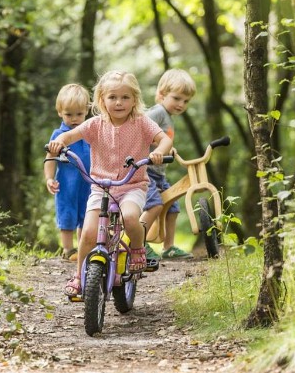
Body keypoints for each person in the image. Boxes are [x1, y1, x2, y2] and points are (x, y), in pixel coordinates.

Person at [46, 70, 173, 296]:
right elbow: (69, 135)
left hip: (132, 185)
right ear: (101, 99)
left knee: (132, 217)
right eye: (112, 97)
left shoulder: (142, 123)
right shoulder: (95, 124)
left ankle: (136, 250)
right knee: (88, 233)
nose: (119, 102)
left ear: (135, 99)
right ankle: (78, 275)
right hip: (101, 187)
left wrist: (159, 152)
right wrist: (58, 143)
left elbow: (164, 139)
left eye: (125, 97)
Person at [141, 69, 197, 261]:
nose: (181, 104)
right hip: (145, 171)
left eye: (186, 101)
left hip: (158, 173)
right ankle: (138, 243)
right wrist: (158, 146)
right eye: (177, 98)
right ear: (162, 95)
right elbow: (141, 130)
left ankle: (169, 247)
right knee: (154, 205)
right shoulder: (157, 112)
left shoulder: (168, 116)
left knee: (172, 206)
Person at [44, 84, 91, 261]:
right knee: (68, 214)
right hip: (67, 183)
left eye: (79, 114)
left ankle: (83, 249)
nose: (74, 119)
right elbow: (50, 157)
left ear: (86, 111)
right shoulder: (59, 134)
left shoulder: (90, 131)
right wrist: (49, 178)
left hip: (89, 183)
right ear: (60, 112)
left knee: (87, 216)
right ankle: (68, 249)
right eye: (68, 114)